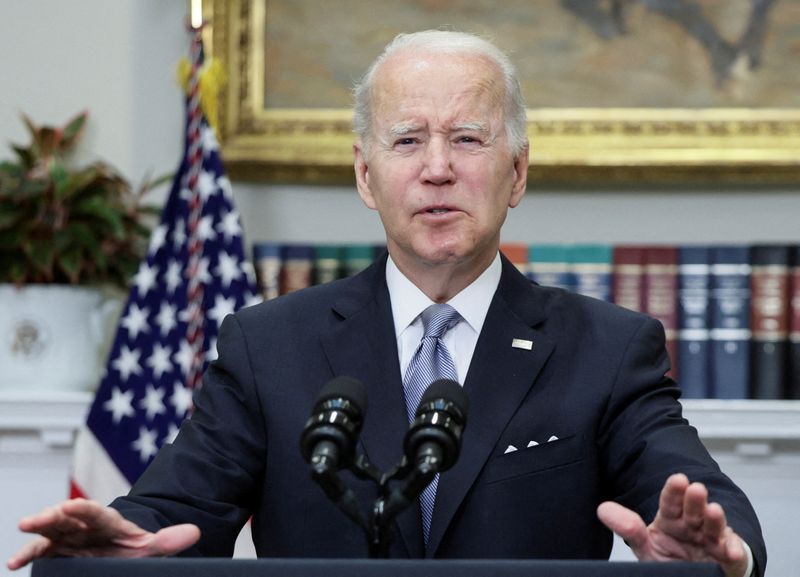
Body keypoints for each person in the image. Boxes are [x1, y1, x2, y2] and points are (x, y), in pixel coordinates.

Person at [8, 30, 765, 577]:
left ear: (518, 172)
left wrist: (710, 550)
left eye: (467, 137)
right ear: (367, 176)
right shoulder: (268, 346)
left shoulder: (606, 348)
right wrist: (124, 542)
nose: (437, 169)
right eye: (407, 141)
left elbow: (715, 511)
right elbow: (172, 512)